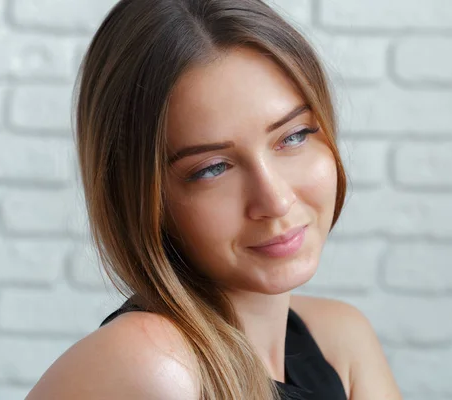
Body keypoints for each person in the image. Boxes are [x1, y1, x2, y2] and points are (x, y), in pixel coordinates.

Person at [26, 0, 402, 399]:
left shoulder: (342, 339)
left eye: (292, 137)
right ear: (142, 199)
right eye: (213, 168)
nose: (275, 200)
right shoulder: (152, 363)